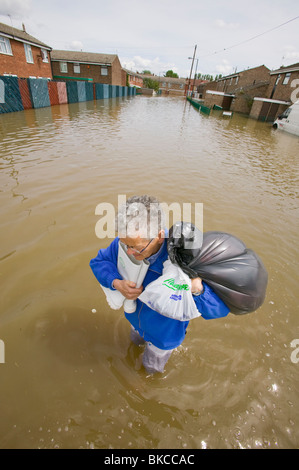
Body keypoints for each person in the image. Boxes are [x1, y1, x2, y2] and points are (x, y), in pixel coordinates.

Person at [90, 195, 229, 374]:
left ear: (159, 236)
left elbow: (220, 309)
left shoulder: (185, 261)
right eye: (125, 245)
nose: (130, 253)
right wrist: (116, 282)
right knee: (134, 342)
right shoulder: (126, 243)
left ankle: (147, 383)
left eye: (136, 247)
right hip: (134, 320)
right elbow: (99, 262)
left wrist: (196, 290)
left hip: (163, 337)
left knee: (151, 368)